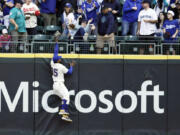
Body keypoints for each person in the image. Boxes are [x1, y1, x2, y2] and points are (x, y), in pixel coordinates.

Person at [51, 43, 75, 122]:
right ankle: (63, 111)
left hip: (55, 85)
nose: (60, 59)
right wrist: (71, 66)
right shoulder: (61, 66)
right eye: (59, 58)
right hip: (59, 84)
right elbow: (69, 72)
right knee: (67, 96)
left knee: (64, 98)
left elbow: (55, 52)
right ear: (58, 60)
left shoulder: (53, 64)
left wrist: (56, 43)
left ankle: (64, 115)